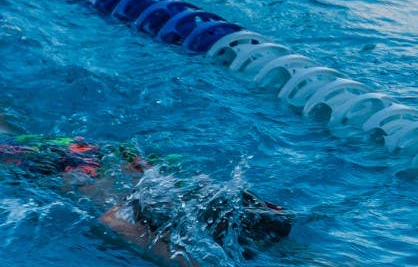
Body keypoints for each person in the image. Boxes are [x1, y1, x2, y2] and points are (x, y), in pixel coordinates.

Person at [0, 110, 291, 265]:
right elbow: (114, 221)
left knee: (15, 133)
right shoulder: (163, 209)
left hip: (95, 154)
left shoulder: (184, 191)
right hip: (68, 165)